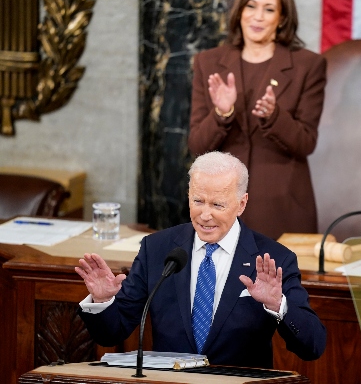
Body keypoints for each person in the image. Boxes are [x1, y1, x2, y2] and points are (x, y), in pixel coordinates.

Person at [75, 151, 326, 369]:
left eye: (217, 204)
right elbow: (112, 332)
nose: (205, 215)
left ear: (241, 204)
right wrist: (103, 300)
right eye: (197, 201)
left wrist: (277, 305)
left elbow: (313, 346)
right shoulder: (157, 249)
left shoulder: (274, 259)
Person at [188, 0, 326, 240]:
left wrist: (274, 116)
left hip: (282, 209)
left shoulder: (308, 65)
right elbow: (198, 146)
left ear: (282, 18)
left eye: (269, 9)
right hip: (220, 210)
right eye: (251, 6)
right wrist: (222, 113)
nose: (258, 16)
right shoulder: (208, 62)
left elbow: (306, 142)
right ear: (239, 12)